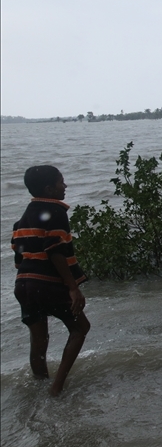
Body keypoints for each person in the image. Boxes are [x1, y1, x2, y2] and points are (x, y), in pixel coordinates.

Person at [12, 165, 91, 396]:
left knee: (39, 338)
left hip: (23, 283)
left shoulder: (25, 217)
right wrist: (73, 287)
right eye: (61, 182)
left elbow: (19, 254)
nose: (64, 186)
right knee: (80, 328)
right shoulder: (56, 211)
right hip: (46, 283)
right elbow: (55, 250)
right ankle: (56, 389)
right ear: (49, 189)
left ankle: (39, 384)